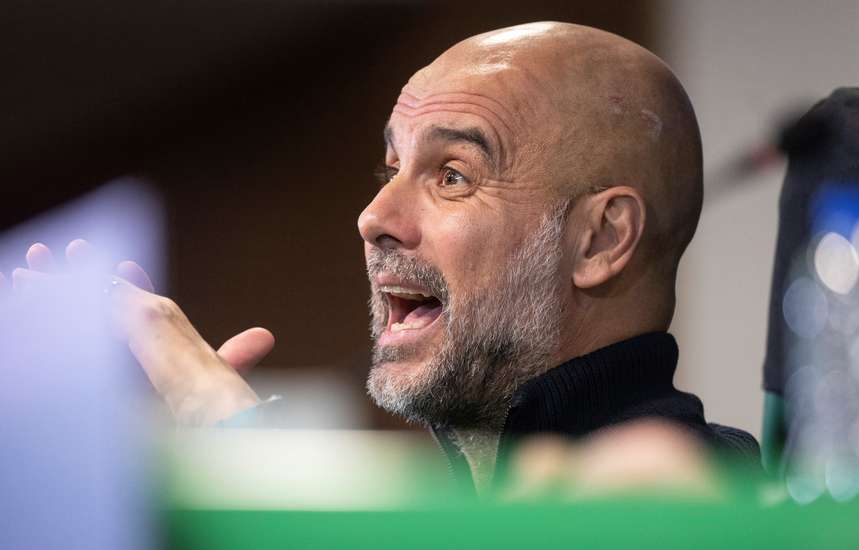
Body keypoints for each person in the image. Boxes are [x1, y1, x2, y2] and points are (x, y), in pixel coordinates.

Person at [1, 22, 757, 494]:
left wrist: (225, 427)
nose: (374, 218)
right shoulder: (467, 518)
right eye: (389, 168)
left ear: (599, 239)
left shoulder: (720, 518)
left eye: (453, 175)